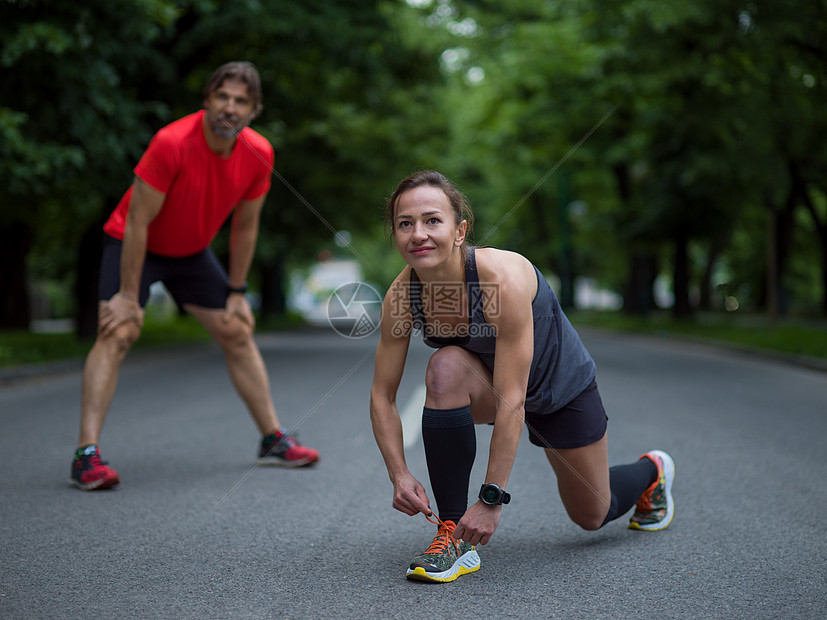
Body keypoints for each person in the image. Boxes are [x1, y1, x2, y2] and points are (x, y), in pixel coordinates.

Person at [369, 170, 675, 583]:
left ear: (460, 231)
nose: (418, 233)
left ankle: (653, 471)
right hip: (491, 387)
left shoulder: (501, 279)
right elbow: (382, 395)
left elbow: (516, 394)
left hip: (558, 389)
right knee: (444, 367)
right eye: (406, 223)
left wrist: (491, 499)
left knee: (592, 513)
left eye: (432, 220)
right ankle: (452, 535)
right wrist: (399, 474)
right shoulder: (402, 297)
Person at [70, 61, 319, 491]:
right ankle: (85, 456)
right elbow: (137, 224)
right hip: (134, 244)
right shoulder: (171, 142)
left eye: (241, 100)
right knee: (119, 330)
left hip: (190, 252)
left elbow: (245, 227)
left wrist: (238, 292)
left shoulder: (259, 152)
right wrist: (128, 295)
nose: (230, 107)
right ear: (207, 100)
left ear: (254, 110)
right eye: (222, 96)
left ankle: (272, 439)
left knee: (237, 329)